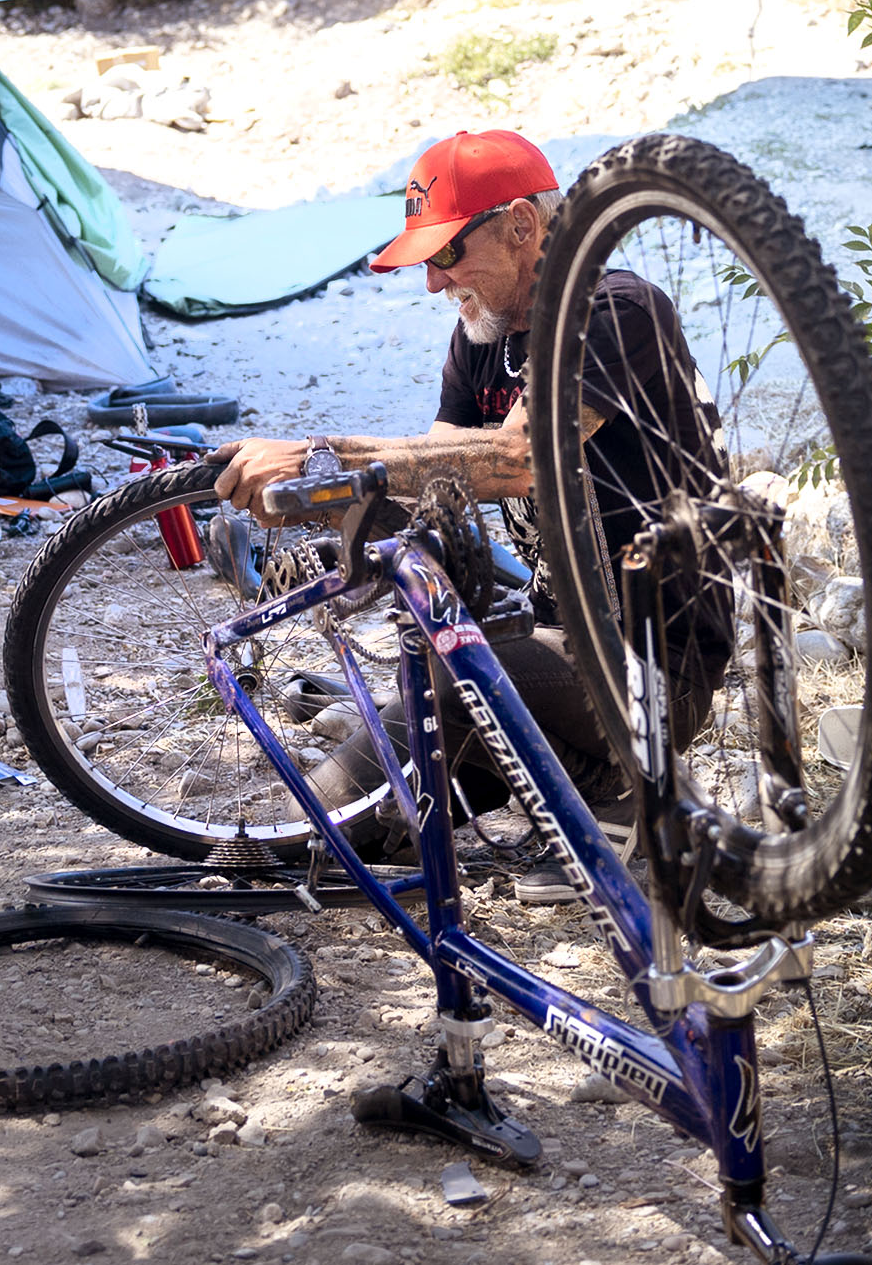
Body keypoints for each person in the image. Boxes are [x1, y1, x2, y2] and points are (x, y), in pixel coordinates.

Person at [214, 129, 730, 884]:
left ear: (524, 225)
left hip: (653, 666)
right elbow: (436, 492)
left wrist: (320, 451)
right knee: (314, 834)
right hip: (546, 646)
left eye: (446, 254)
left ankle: (634, 799)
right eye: (425, 260)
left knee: (449, 665)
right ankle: (577, 789)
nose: (432, 283)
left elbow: (518, 459)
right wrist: (327, 508)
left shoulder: (615, 308)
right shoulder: (482, 340)